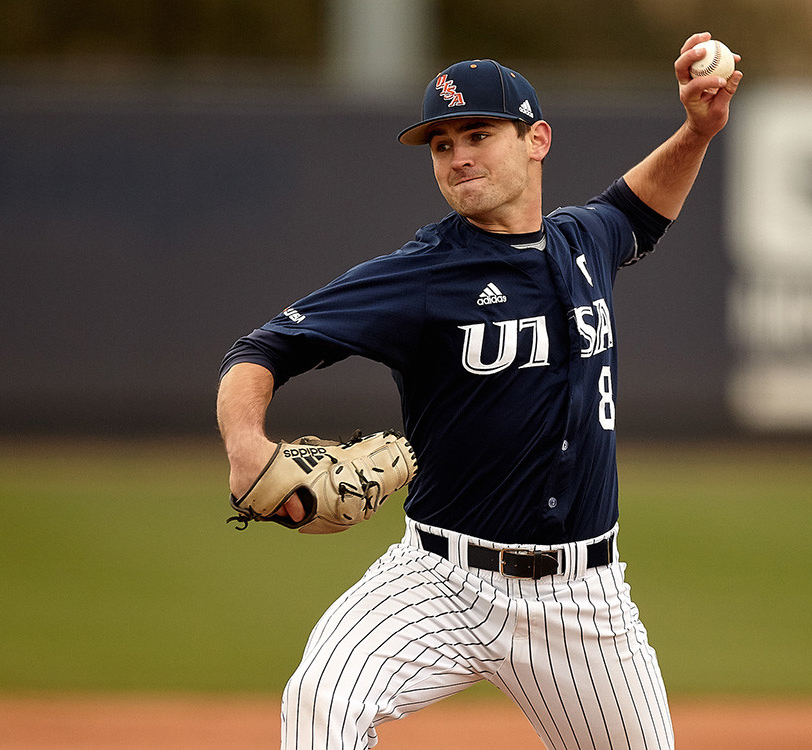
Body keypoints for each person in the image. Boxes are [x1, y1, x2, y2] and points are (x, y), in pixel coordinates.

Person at [217, 32, 742, 750]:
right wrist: (246, 443)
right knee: (320, 701)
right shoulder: (422, 274)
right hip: (439, 579)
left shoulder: (585, 241)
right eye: (441, 144)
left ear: (537, 140)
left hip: (582, 601)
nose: (458, 154)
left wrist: (697, 129)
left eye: (478, 133)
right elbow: (263, 349)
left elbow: (640, 208)